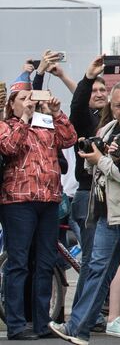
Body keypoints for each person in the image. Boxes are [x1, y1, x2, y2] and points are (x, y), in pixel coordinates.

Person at [50, 83, 120, 345]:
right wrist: (91, 159)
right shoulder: (107, 129)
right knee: (96, 268)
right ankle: (78, 328)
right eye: (117, 105)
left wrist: (102, 160)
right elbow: (92, 171)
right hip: (104, 211)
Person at [0, 79, 78, 341]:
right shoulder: (7, 125)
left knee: (45, 264)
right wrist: (24, 118)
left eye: (31, 98)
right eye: (22, 99)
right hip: (18, 202)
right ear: (12, 104)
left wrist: (56, 112)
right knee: (18, 264)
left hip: (49, 201)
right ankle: (16, 325)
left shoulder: (46, 124)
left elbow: (70, 139)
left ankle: (43, 323)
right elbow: (9, 147)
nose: (29, 103)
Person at [41, 54, 109, 312]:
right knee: (92, 261)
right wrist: (86, 76)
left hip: (109, 197)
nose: (100, 93)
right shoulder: (83, 120)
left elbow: (87, 98)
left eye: (104, 90)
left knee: (105, 261)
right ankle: (86, 314)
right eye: (96, 90)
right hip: (86, 196)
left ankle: (102, 309)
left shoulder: (108, 121)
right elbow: (79, 102)